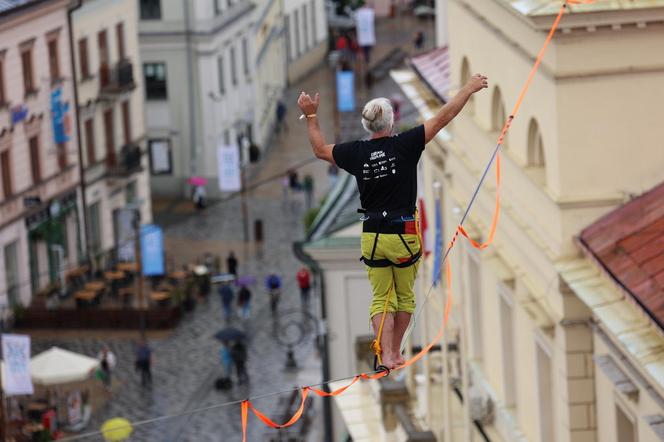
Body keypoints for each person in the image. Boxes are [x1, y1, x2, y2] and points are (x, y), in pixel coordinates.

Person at [296, 73, 488, 369]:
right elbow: (442, 118)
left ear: (367, 126)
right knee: (404, 298)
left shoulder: (356, 153)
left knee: (380, 298)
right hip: (403, 233)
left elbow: (320, 150)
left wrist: (310, 115)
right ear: (391, 122)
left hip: (371, 236)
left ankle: (383, 354)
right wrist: (469, 88)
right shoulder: (405, 145)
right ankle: (395, 354)